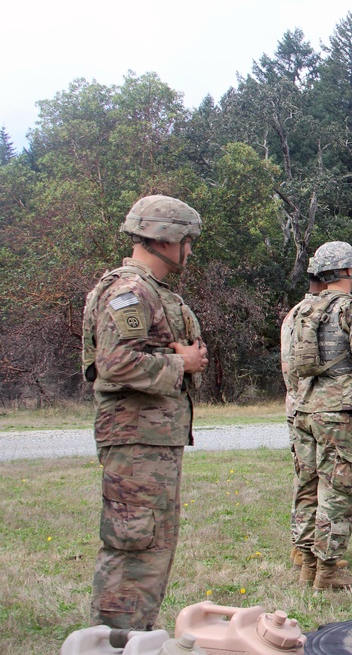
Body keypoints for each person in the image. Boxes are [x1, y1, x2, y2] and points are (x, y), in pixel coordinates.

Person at [82, 195, 208, 629]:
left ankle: (132, 632)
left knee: (149, 539)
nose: (189, 249)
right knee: (135, 540)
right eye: (187, 239)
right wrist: (182, 364)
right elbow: (113, 363)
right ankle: (117, 636)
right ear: (165, 238)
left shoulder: (150, 291)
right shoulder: (130, 291)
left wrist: (184, 358)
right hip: (136, 440)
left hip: (148, 440)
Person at [288, 241, 352, 592]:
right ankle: (328, 572)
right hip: (339, 412)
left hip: (304, 408)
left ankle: (306, 564)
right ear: (349, 270)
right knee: (340, 488)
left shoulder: (302, 309)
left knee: (309, 485)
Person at [281, 269, 325, 569]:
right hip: (319, 406)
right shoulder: (320, 313)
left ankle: (300, 546)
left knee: (304, 479)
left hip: (295, 405)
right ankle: (313, 551)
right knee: (325, 482)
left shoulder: (293, 314)